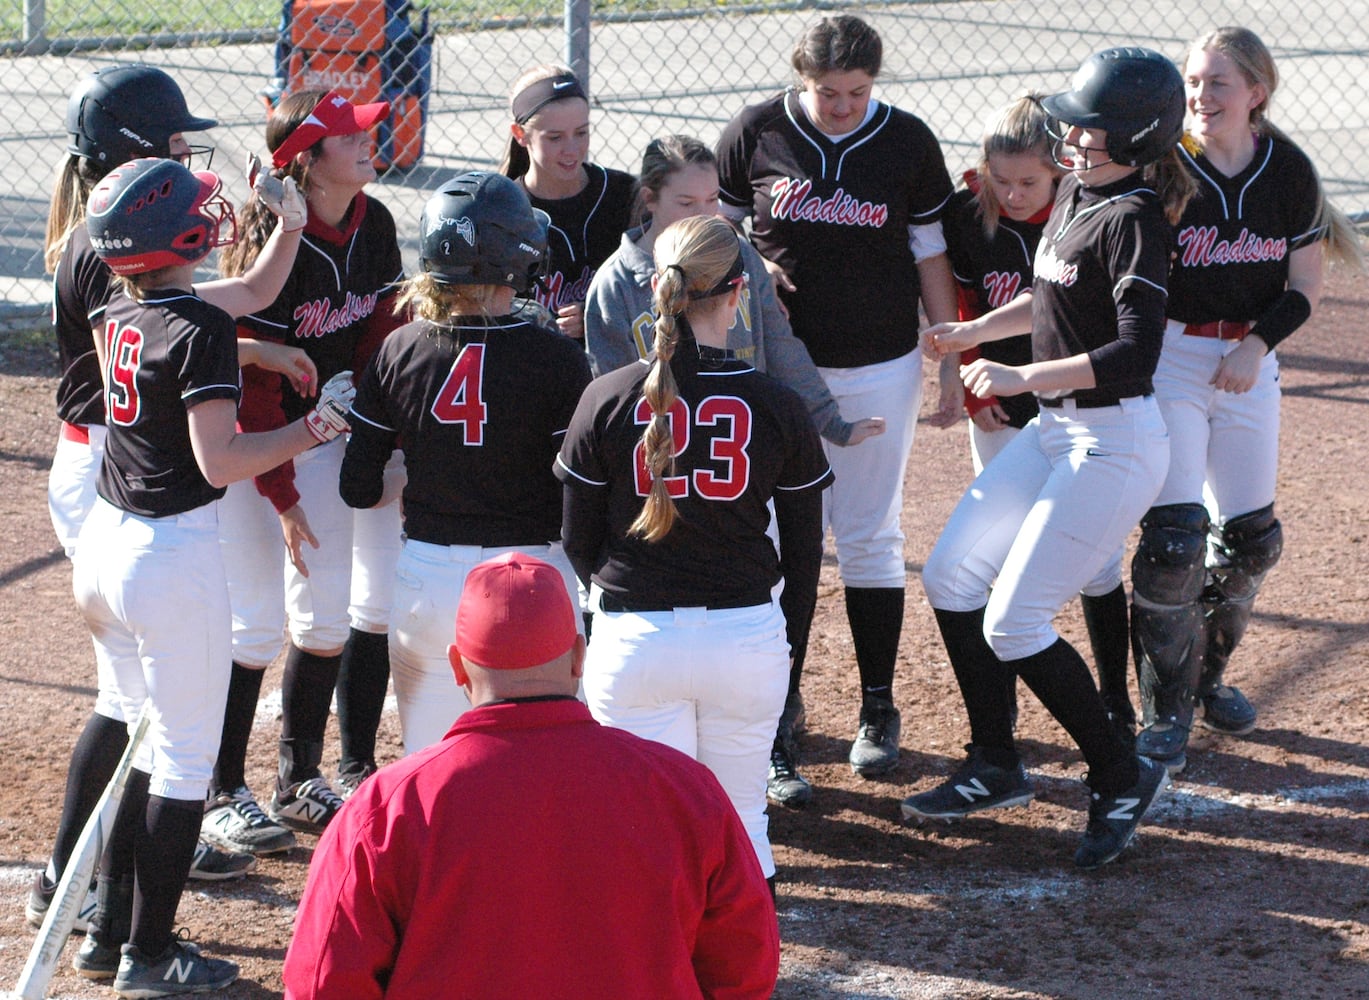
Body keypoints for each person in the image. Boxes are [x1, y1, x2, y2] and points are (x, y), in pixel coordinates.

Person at [30, 62, 318, 939]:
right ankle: (113, 879)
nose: (188, 158)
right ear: (131, 155)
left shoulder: (112, 241)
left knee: (134, 699)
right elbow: (191, 350)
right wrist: (284, 395)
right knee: (146, 703)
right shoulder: (102, 253)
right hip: (118, 480)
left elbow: (223, 308)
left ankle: (111, 867)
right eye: (172, 143)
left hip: (112, 469)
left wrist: (259, 338)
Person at [72, 156, 356, 994]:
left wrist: (292, 227)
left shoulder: (115, 303)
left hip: (108, 545)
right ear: (179, 234)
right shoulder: (195, 328)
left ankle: (106, 931)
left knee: (139, 737)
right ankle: (151, 956)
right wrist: (315, 427)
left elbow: (251, 299)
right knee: (184, 763)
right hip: (171, 557)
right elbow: (223, 459)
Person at [903, 47, 1192, 869]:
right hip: (1057, 432)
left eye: (1086, 121)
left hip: (1113, 440)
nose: (1068, 131)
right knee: (952, 574)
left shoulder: (1134, 216)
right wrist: (975, 330)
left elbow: (1133, 352)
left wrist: (1020, 372)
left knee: (1014, 620)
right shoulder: (1077, 195)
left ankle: (1116, 776)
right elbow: (1055, 296)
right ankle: (997, 764)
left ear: (1130, 134)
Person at [282, 551, 779, 999]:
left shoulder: (387, 808)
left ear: (458, 667)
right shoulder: (684, 787)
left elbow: (323, 982)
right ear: (579, 658)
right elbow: (745, 970)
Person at [583, 133, 885, 807]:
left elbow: (780, 346)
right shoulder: (616, 283)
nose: (704, 212)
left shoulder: (734, 253)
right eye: (685, 200)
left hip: (735, 475)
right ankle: (701, 747)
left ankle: (774, 738)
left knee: (757, 605)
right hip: (662, 483)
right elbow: (608, 405)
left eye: (713, 198)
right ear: (649, 200)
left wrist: (829, 421)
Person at [556, 214, 833, 886]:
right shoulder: (774, 403)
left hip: (633, 639)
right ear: (739, 296)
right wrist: (783, 650)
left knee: (647, 834)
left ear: (656, 287)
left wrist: (621, 604)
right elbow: (802, 555)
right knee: (740, 824)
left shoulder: (607, 396)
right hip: (745, 637)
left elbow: (574, 539)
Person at [716, 13, 959, 779]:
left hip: (878, 361)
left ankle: (876, 703)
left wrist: (949, 356)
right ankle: (779, 714)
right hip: (777, 371)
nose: (843, 105)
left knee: (869, 535)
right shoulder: (755, 131)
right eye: (828, 92)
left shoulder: (907, 141)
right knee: (785, 544)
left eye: (857, 91)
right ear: (801, 79)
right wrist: (744, 293)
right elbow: (713, 242)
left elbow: (929, 253)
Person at [1130, 27, 1365, 771]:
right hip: (1170, 355)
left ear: (1255, 92)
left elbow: (1303, 289)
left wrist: (1255, 346)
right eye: (1193, 82)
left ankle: (1208, 677)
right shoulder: (1164, 165)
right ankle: (1163, 706)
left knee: (1252, 539)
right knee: (1174, 540)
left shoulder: (1285, 170)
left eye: (1217, 83)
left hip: (1247, 361)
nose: (1199, 96)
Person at [203, 89, 406, 858]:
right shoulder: (271, 251)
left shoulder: (375, 223)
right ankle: (224, 788)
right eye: (348, 138)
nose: (366, 144)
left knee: (324, 622)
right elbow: (248, 390)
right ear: (308, 163)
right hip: (259, 450)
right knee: (255, 625)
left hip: (333, 438)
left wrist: (374, 435)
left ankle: (297, 780)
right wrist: (283, 496)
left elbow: (377, 336)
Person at [340, 170, 592, 753]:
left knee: (433, 770)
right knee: (539, 768)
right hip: (531, 581)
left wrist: (436, 465)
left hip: (426, 580)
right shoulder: (555, 357)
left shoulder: (397, 349)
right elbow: (578, 491)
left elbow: (359, 486)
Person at [942, 94, 1135, 739]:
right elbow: (969, 300)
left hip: (1073, 401)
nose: (1014, 194)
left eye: (1029, 181)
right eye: (1001, 180)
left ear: (1059, 167)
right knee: (988, 561)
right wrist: (973, 391)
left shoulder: (1086, 210)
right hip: (1000, 403)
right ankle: (1003, 725)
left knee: (1098, 564)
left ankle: (1114, 698)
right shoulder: (970, 210)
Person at [499, 63, 636, 342]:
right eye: (555, 137)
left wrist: (599, 315)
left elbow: (653, 290)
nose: (572, 149)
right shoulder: (503, 210)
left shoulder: (624, 194)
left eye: (581, 132)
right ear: (520, 134)